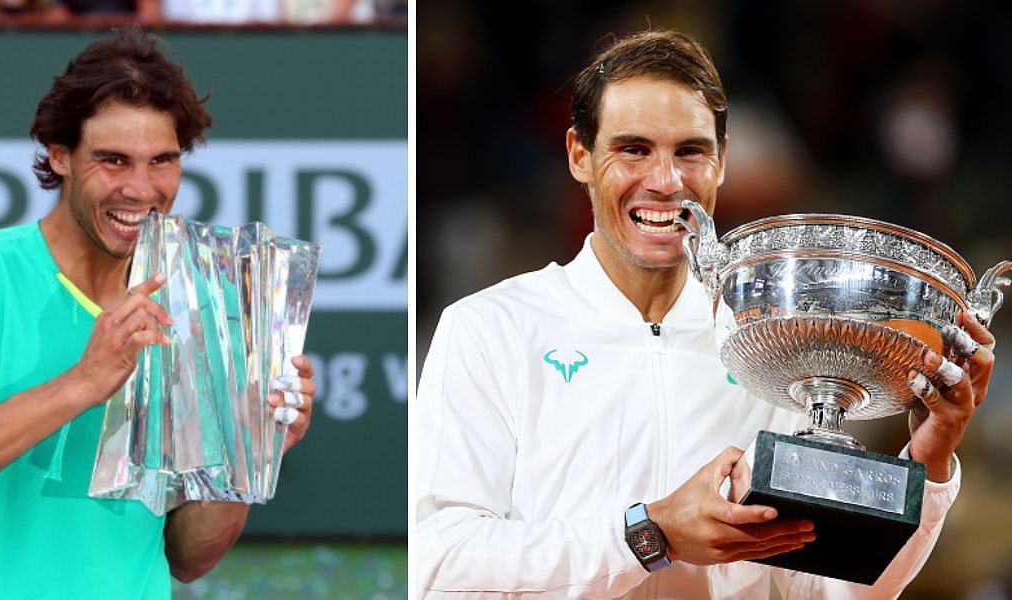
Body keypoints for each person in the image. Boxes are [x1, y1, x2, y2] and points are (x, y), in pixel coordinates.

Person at [416, 29, 996, 599]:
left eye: (690, 152)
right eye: (633, 149)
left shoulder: (769, 340)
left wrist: (930, 461)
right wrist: (649, 534)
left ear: (720, 163)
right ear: (580, 156)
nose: (666, 182)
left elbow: (829, 591)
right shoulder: (489, 329)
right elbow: (439, 560)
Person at [0, 28, 316, 599]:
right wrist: (84, 382)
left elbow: (187, 557)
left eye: (162, 161)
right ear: (59, 155)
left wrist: (249, 452)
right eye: (113, 161)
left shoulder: (206, 304)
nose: (141, 188)